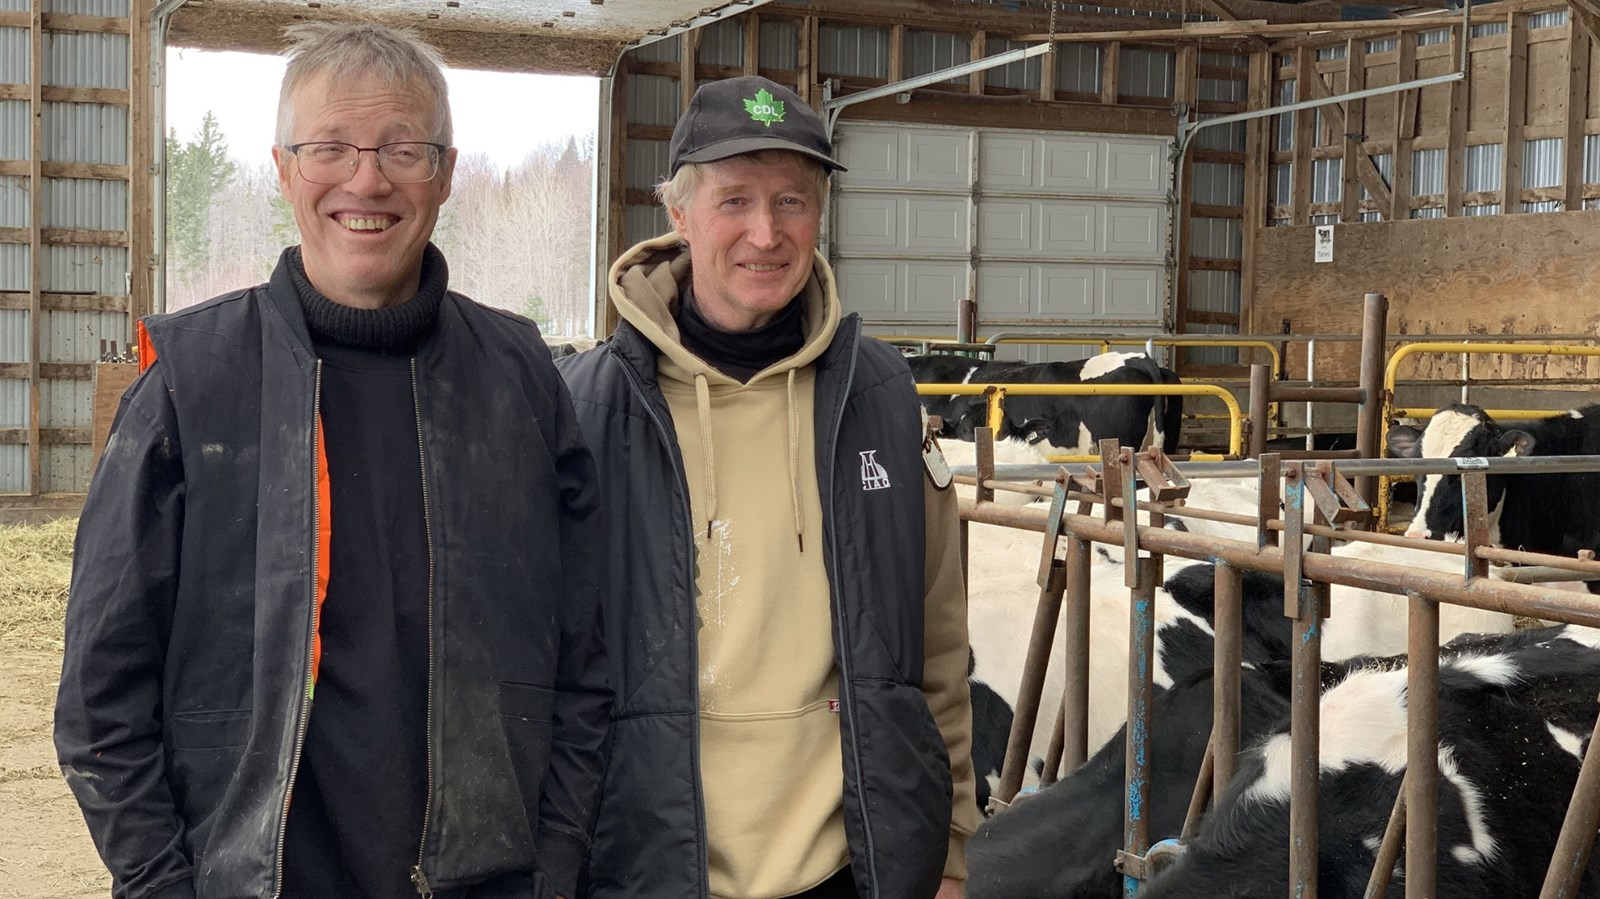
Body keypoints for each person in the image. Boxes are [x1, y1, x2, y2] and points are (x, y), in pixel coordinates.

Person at [54, 23, 610, 899]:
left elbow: (588, 661)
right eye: (331, 148)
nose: (367, 179)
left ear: (447, 171)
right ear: (283, 168)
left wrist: (554, 868)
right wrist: (164, 883)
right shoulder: (189, 384)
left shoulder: (522, 378)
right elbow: (98, 700)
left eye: (403, 149)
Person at [557, 76, 977, 899]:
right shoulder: (591, 408)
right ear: (677, 214)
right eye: (735, 200)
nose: (766, 232)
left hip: (848, 867)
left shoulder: (878, 395)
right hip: (649, 865)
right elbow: (552, 665)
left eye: (792, 200)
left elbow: (937, 648)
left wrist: (953, 848)